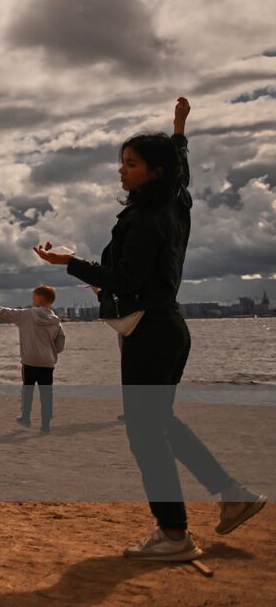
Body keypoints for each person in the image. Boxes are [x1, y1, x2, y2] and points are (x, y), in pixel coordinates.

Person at [36, 97, 266, 560]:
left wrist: (70, 262)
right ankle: (232, 494)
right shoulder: (177, 202)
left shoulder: (143, 221)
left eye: (132, 164)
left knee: (145, 435)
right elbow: (181, 166)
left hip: (148, 334)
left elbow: (123, 280)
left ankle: (174, 534)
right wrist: (179, 129)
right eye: (122, 162)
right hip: (169, 330)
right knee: (162, 424)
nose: (122, 171)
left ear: (154, 172)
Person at [0, 285, 65, 431]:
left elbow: (7, 313)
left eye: (33, 297)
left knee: (27, 390)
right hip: (47, 363)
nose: (32, 300)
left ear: (40, 298)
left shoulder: (27, 314)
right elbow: (60, 344)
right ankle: (45, 425)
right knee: (46, 393)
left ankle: (26, 417)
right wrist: (49, 353)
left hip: (30, 361)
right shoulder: (56, 321)